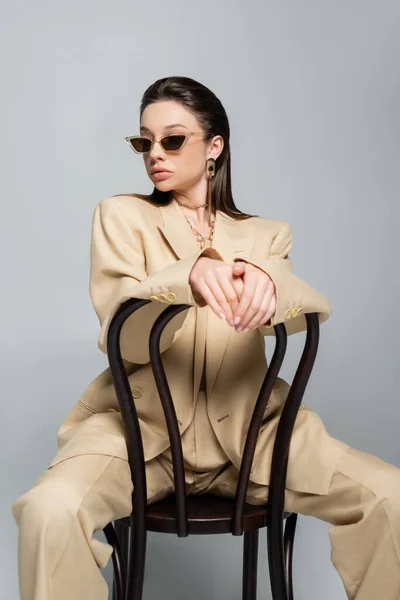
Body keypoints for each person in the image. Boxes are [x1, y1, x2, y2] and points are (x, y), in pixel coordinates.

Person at [11, 75, 400, 600]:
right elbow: (122, 333)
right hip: (139, 435)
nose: (155, 154)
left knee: (389, 496)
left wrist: (270, 281)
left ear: (214, 146)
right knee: (48, 509)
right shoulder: (123, 216)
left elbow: (299, 312)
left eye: (172, 139)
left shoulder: (266, 235)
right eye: (143, 141)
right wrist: (186, 276)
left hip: (255, 437)